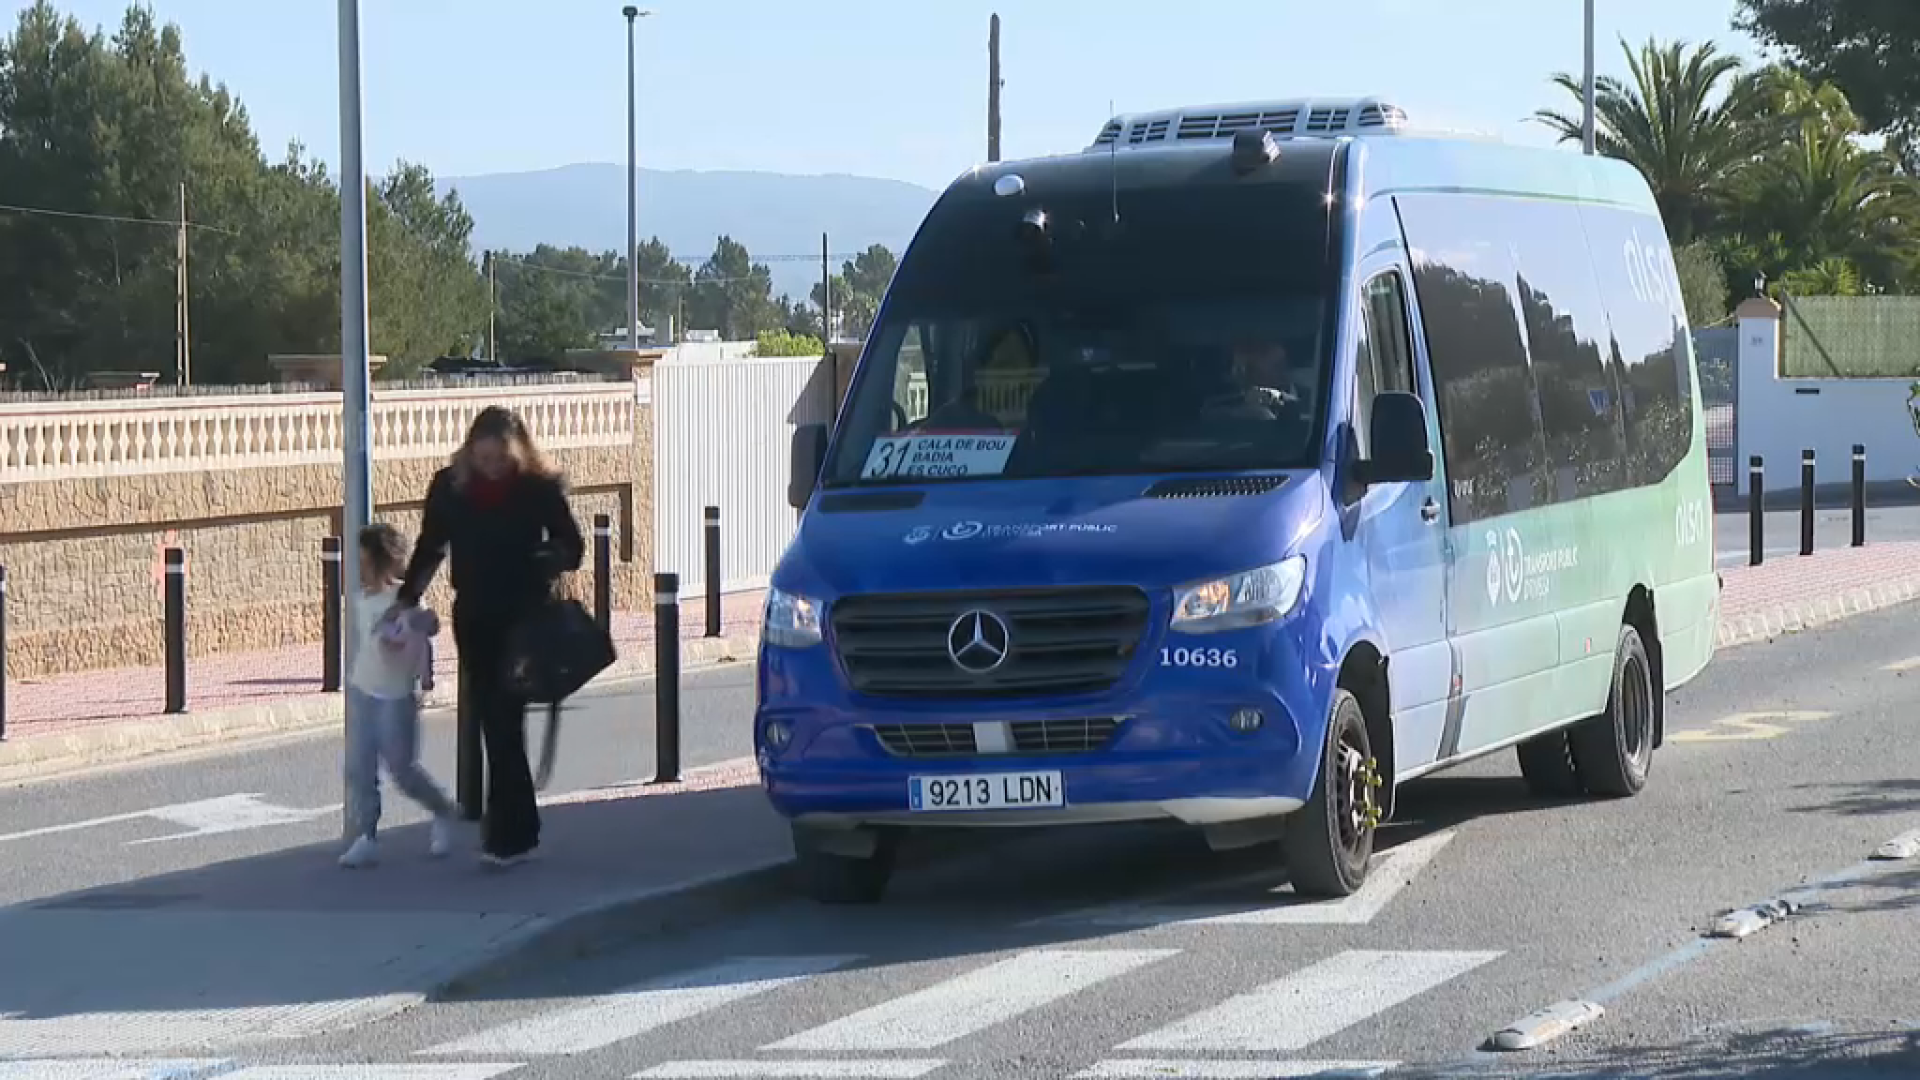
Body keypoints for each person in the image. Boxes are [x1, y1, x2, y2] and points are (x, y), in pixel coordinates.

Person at [395, 406, 585, 867]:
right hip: (475, 614)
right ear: (470, 451)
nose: (493, 466)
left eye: (501, 458)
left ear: (518, 452)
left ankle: (509, 834)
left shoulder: (538, 487)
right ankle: (517, 828)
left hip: (523, 615)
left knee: (504, 720)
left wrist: (545, 558)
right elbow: (431, 546)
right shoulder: (450, 487)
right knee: (491, 721)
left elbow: (573, 548)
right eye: (484, 457)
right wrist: (405, 599)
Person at [340, 523, 457, 869]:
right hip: (363, 691)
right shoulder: (360, 601)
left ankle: (442, 811)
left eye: (364, 559)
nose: (358, 566)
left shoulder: (404, 598)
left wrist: (418, 622)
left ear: (381, 561)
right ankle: (367, 837)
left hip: (396, 697)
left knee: (402, 771)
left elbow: (430, 623)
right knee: (359, 767)